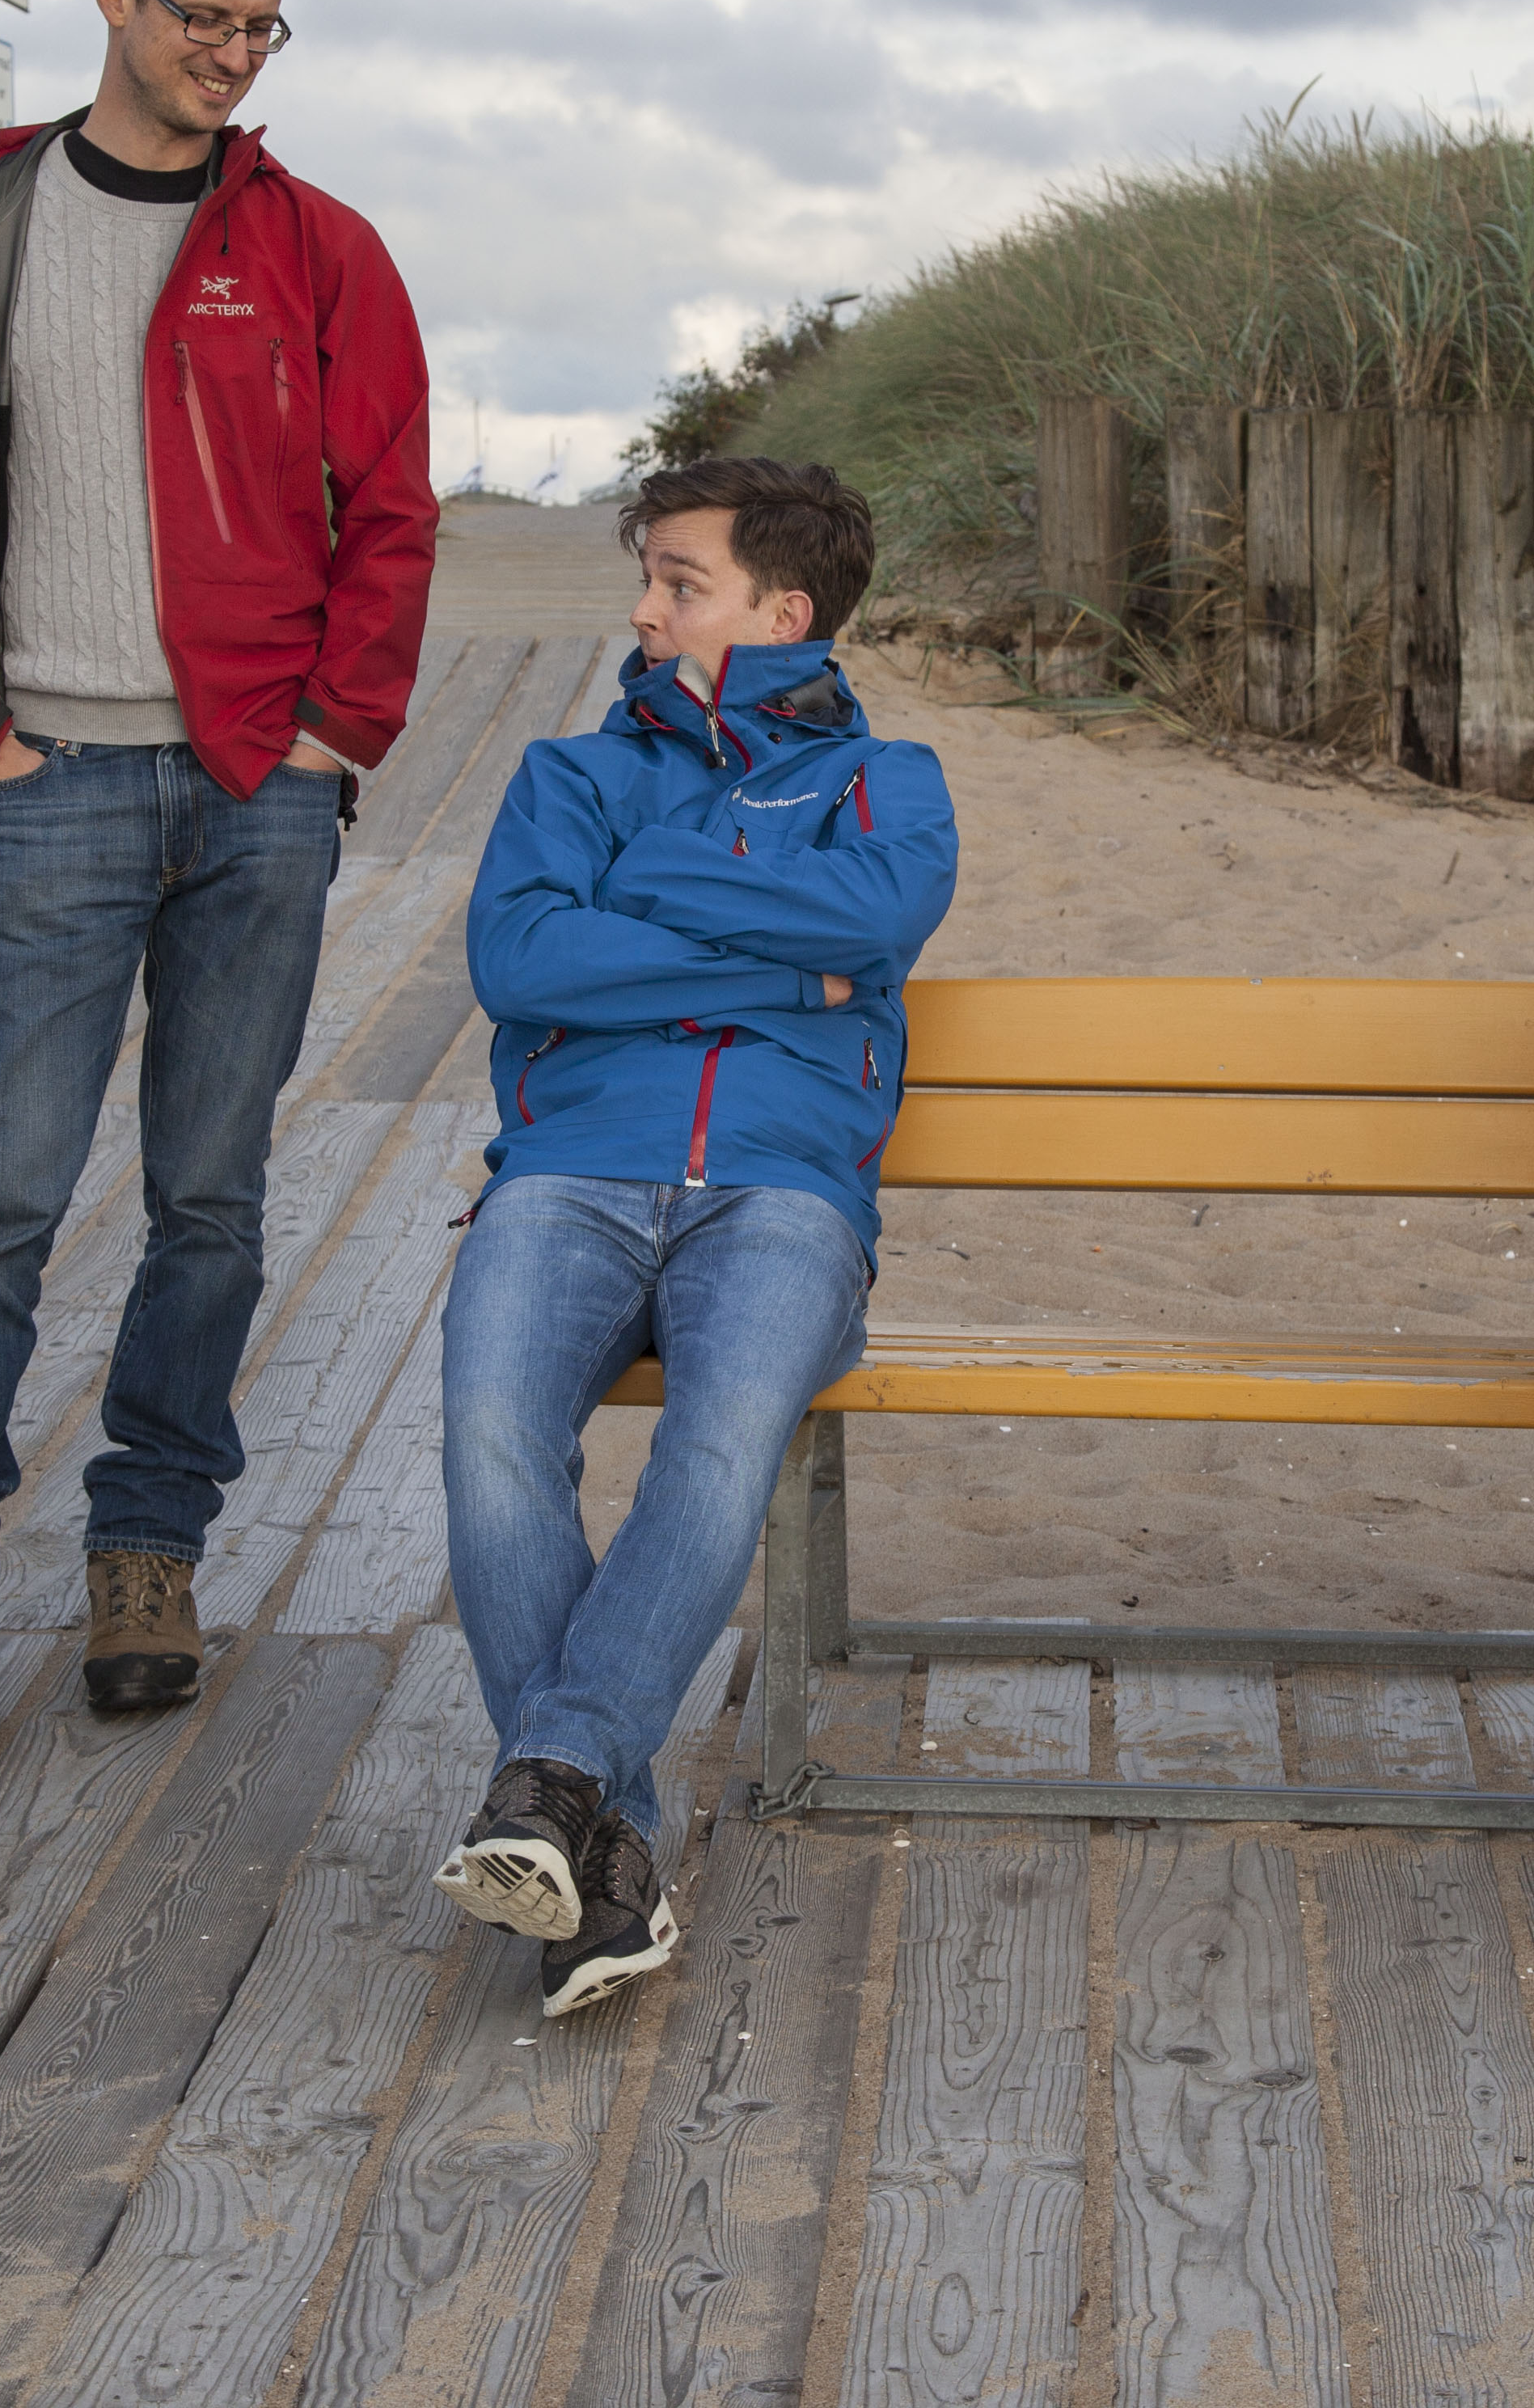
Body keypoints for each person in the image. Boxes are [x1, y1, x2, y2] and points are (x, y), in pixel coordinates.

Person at [0, 0, 437, 1759]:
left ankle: (146, 1552)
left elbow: (394, 506)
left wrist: (338, 732)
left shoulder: (322, 248)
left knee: (212, 1202)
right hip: (47, 786)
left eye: (264, 25)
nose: (235, 54)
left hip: (256, 792)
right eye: (203, 16)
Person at [429, 458, 956, 2019]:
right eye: (647, 578)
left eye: (680, 582)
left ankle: (554, 1780)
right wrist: (779, 963)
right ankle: (612, 1843)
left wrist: (658, 907)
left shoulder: (892, 781)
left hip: (787, 1193)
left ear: (782, 613)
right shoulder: (572, 777)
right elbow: (524, 958)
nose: (643, 609)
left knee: (719, 1448)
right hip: (574, 1170)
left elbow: (875, 922)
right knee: (488, 1437)